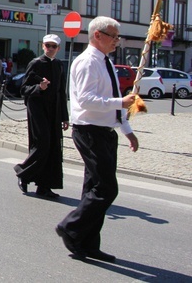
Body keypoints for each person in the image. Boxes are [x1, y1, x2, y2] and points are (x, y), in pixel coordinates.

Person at [56, 16, 139, 262]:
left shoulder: (106, 62)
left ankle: (87, 243)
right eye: (113, 36)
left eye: (117, 36)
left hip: (104, 131)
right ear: (98, 35)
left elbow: (112, 97)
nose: (117, 41)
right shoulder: (86, 62)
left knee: (93, 188)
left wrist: (126, 129)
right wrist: (119, 102)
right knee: (105, 188)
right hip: (89, 130)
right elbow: (85, 99)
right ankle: (71, 226)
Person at [14, 34, 69, 199]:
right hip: (37, 109)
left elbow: (61, 92)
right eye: (48, 45)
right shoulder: (36, 63)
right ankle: (23, 173)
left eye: (54, 46)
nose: (50, 49)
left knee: (53, 147)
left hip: (54, 112)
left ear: (58, 49)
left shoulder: (59, 65)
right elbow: (24, 89)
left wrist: (65, 116)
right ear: (43, 46)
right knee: (42, 144)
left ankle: (44, 186)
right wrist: (39, 87)